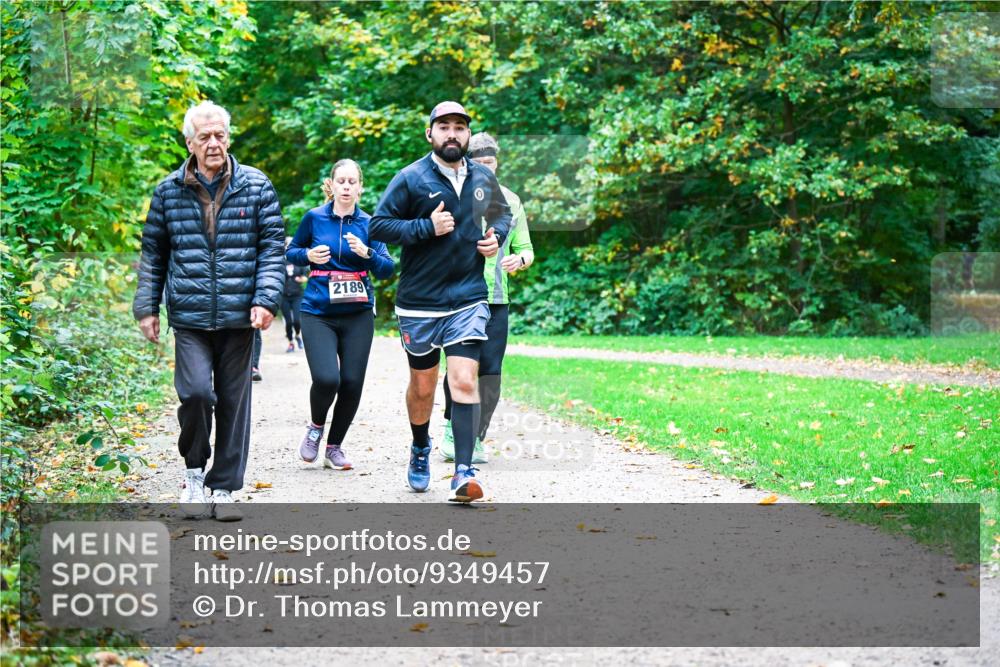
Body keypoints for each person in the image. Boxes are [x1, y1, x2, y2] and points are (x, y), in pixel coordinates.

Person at [132, 101, 285, 522]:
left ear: (228, 137)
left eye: (220, 135)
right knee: (197, 394)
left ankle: (224, 486)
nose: (214, 143)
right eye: (205, 137)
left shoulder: (257, 186)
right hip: (191, 316)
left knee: (235, 402)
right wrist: (147, 307)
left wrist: (265, 298)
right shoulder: (168, 191)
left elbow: (272, 247)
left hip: (240, 316)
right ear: (190, 143)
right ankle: (195, 473)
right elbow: (154, 254)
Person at [370, 101, 512, 503]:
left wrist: (496, 237)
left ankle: (462, 471)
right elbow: (379, 225)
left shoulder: (482, 177)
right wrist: (424, 227)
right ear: (430, 133)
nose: (453, 134)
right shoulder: (411, 178)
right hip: (419, 301)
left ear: (468, 135)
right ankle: (420, 447)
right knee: (423, 385)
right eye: (444, 127)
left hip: (468, 296)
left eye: (460, 128)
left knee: (465, 379)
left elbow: (503, 215)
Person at [286, 159, 394, 471]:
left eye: (352, 182)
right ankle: (315, 427)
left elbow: (387, 269)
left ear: (360, 187)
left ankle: (334, 447)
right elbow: (291, 251)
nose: (346, 187)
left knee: (351, 381)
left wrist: (367, 254)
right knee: (326, 378)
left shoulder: (371, 224)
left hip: (358, 313)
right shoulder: (314, 218)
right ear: (331, 185)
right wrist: (307, 255)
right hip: (318, 311)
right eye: (341, 181)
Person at [439, 132, 534, 462]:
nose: (485, 170)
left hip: (497, 300)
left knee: (491, 372)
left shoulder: (511, 200)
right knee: (461, 369)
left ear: (497, 163)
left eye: (490, 163)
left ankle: (477, 436)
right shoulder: (455, 196)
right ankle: (452, 430)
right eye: (479, 164)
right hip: (461, 299)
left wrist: (519, 260)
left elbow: (526, 249)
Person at [281, 236, 309, 353]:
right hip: (284, 296)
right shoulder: (281, 261)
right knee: (288, 322)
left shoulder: (299, 260)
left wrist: (301, 279)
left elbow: (305, 277)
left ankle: (297, 335)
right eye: (288, 244)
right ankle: (291, 342)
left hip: (297, 294)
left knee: (297, 320)